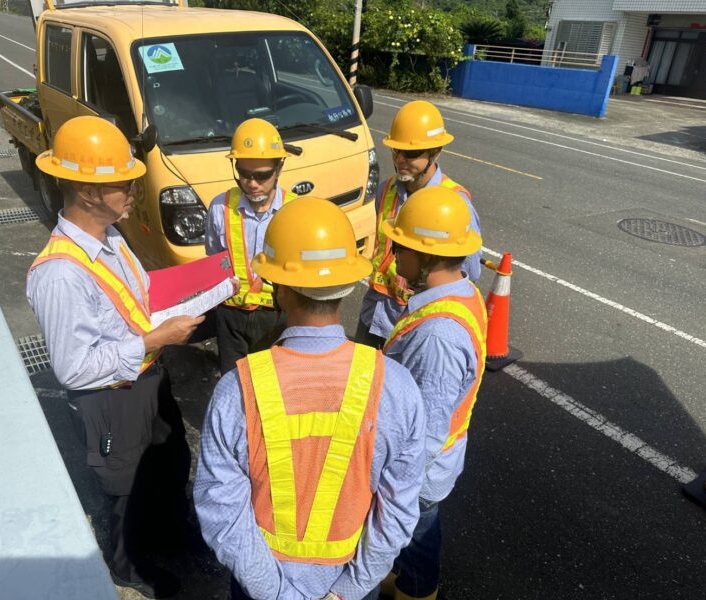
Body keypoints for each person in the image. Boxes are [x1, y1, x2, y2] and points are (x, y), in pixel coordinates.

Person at [194, 197, 426, 600]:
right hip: (350, 586)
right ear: (347, 284)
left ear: (280, 288)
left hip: (262, 588)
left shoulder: (237, 390)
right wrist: (347, 590)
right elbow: (398, 513)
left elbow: (222, 513)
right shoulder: (397, 386)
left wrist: (278, 594)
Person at [26, 116, 201, 599]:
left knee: (167, 459)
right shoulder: (60, 274)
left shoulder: (112, 236)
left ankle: (171, 533)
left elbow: (134, 299)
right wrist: (152, 339)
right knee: (124, 485)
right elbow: (73, 368)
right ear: (88, 193)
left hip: (147, 376)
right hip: (110, 397)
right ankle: (129, 565)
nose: (132, 190)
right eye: (123, 183)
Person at [379, 186, 487, 600]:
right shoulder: (462, 291)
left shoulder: (437, 337)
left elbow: (425, 428)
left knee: (419, 535)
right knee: (415, 535)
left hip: (421, 472)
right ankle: (408, 576)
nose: (393, 255)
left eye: (399, 246)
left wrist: (395, 487)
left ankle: (418, 592)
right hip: (437, 461)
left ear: (426, 255)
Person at [356, 100, 482, 348]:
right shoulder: (386, 189)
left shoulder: (454, 204)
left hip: (413, 322)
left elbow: (469, 272)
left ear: (435, 152)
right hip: (374, 314)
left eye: (411, 154)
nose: (400, 159)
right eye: (396, 151)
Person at [205, 118, 297, 375]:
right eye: (244, 174)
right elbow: (214, 259)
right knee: (233, 382)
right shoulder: (220, 207)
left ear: (279, 168)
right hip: (230, 316)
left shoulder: (295, 211)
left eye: (262, 175)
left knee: (275, 384)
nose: (252, 184)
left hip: (277, 317)